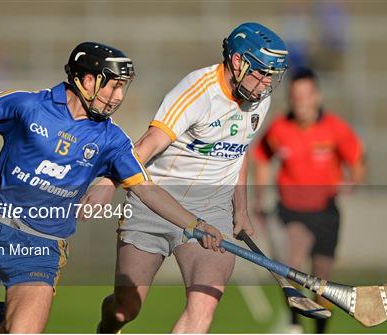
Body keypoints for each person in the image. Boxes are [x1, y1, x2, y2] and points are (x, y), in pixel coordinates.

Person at [0, 42, 224, 333]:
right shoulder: (27, 106)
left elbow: (147, 189)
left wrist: (193, 224)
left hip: (43, 247)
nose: (118, 97)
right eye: (112, 86)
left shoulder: (112, 140)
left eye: (123, 88)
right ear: (86, 79)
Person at [79, 23, 289, 333]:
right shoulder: (197, 91)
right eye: (261, 73)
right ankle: (107, 326)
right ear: (236, 62)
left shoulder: (259, 98)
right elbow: (147, 145)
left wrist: (240, 209)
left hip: (213, 209)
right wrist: (108, 182)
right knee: (125, 309)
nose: (265, 84)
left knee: (203, 308)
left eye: (272, 75)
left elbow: (238, 152)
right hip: (155, 203)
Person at [252, 67, 365, 333]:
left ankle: (320, 329)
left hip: (325, 211)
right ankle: (294, 323)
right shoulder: (280, 128)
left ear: (317, 97)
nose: (300, 102)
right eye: (295, 96)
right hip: (290, 210)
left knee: (322, 281)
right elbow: (262, 158)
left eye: (305, 95)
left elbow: (357, 161)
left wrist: (353, 181)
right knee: (291, 265)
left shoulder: (335, 128)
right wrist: (259, 197)